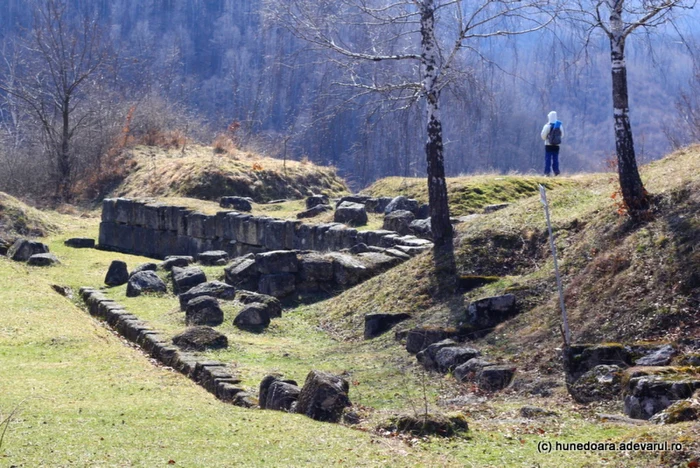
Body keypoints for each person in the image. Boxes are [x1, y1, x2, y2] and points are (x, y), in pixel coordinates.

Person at [541, 111, 564, 176]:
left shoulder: (547, 126)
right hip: (556, 145)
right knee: (555, 159)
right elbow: (562, 135)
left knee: (548, 159)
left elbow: (543, 136)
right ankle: (556, 172)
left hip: (548, 145)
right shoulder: (559, 126)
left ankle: (547, 172)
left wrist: (548, 138)